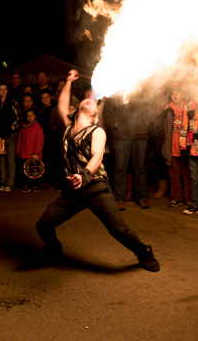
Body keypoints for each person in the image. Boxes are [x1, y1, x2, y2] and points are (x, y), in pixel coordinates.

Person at [35, 70, 160, 271]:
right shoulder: (68, 128)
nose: (89, 100)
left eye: (93, 102)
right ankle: (54, 249)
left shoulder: (97, 131)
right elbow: (60, 105)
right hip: (73, 191)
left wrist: (83, 175)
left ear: (94, 115)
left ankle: (144, 252)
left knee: (118, 229)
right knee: (43, 224)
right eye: (87, 100)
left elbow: (97, 156)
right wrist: (67, 81)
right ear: (76, 110)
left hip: (95, 187)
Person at [102, 93, 151, 210]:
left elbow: (150, 106)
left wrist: (147, 120)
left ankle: (142, 197)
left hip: (140, 134)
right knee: (120, 168)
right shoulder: (114, 93)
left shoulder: (140, 90)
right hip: (121, 136)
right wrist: (115, 124)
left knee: (140, 168)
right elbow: (107, 112)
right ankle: (119, 197)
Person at [156, 83, 193, 208]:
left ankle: (189, 199)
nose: (175, 95)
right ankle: (177, 198)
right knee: (174, 176)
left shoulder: (188, 108)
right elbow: (160, 126)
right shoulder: (167, 109)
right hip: (171, 146)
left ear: (183, 94)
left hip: (185, 146)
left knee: (187, 175)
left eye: (178, 93)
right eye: (173, 93)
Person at [0, 82, 22, 192]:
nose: (3, 91)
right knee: (1, 160)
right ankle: (2, 181)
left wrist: (12, 128)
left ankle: (9, 183)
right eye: (1, 89)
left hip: (11, 135)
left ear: (7, 91)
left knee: (10, 159)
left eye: (5, 89)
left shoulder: (13, 103)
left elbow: (19, 118)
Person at [16, 108, 44, 192]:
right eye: (28, 116)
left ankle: (34, 185)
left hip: (33, 154)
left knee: (34, 170)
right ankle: (26, 185)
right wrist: (18, 151)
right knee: (24, 170)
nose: (30, 118)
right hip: (24, 153)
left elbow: (40, 141)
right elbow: (20, 140)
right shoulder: (23, 127)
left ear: (35, 116)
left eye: (32, 115)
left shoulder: (38, 128)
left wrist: (36, 152)